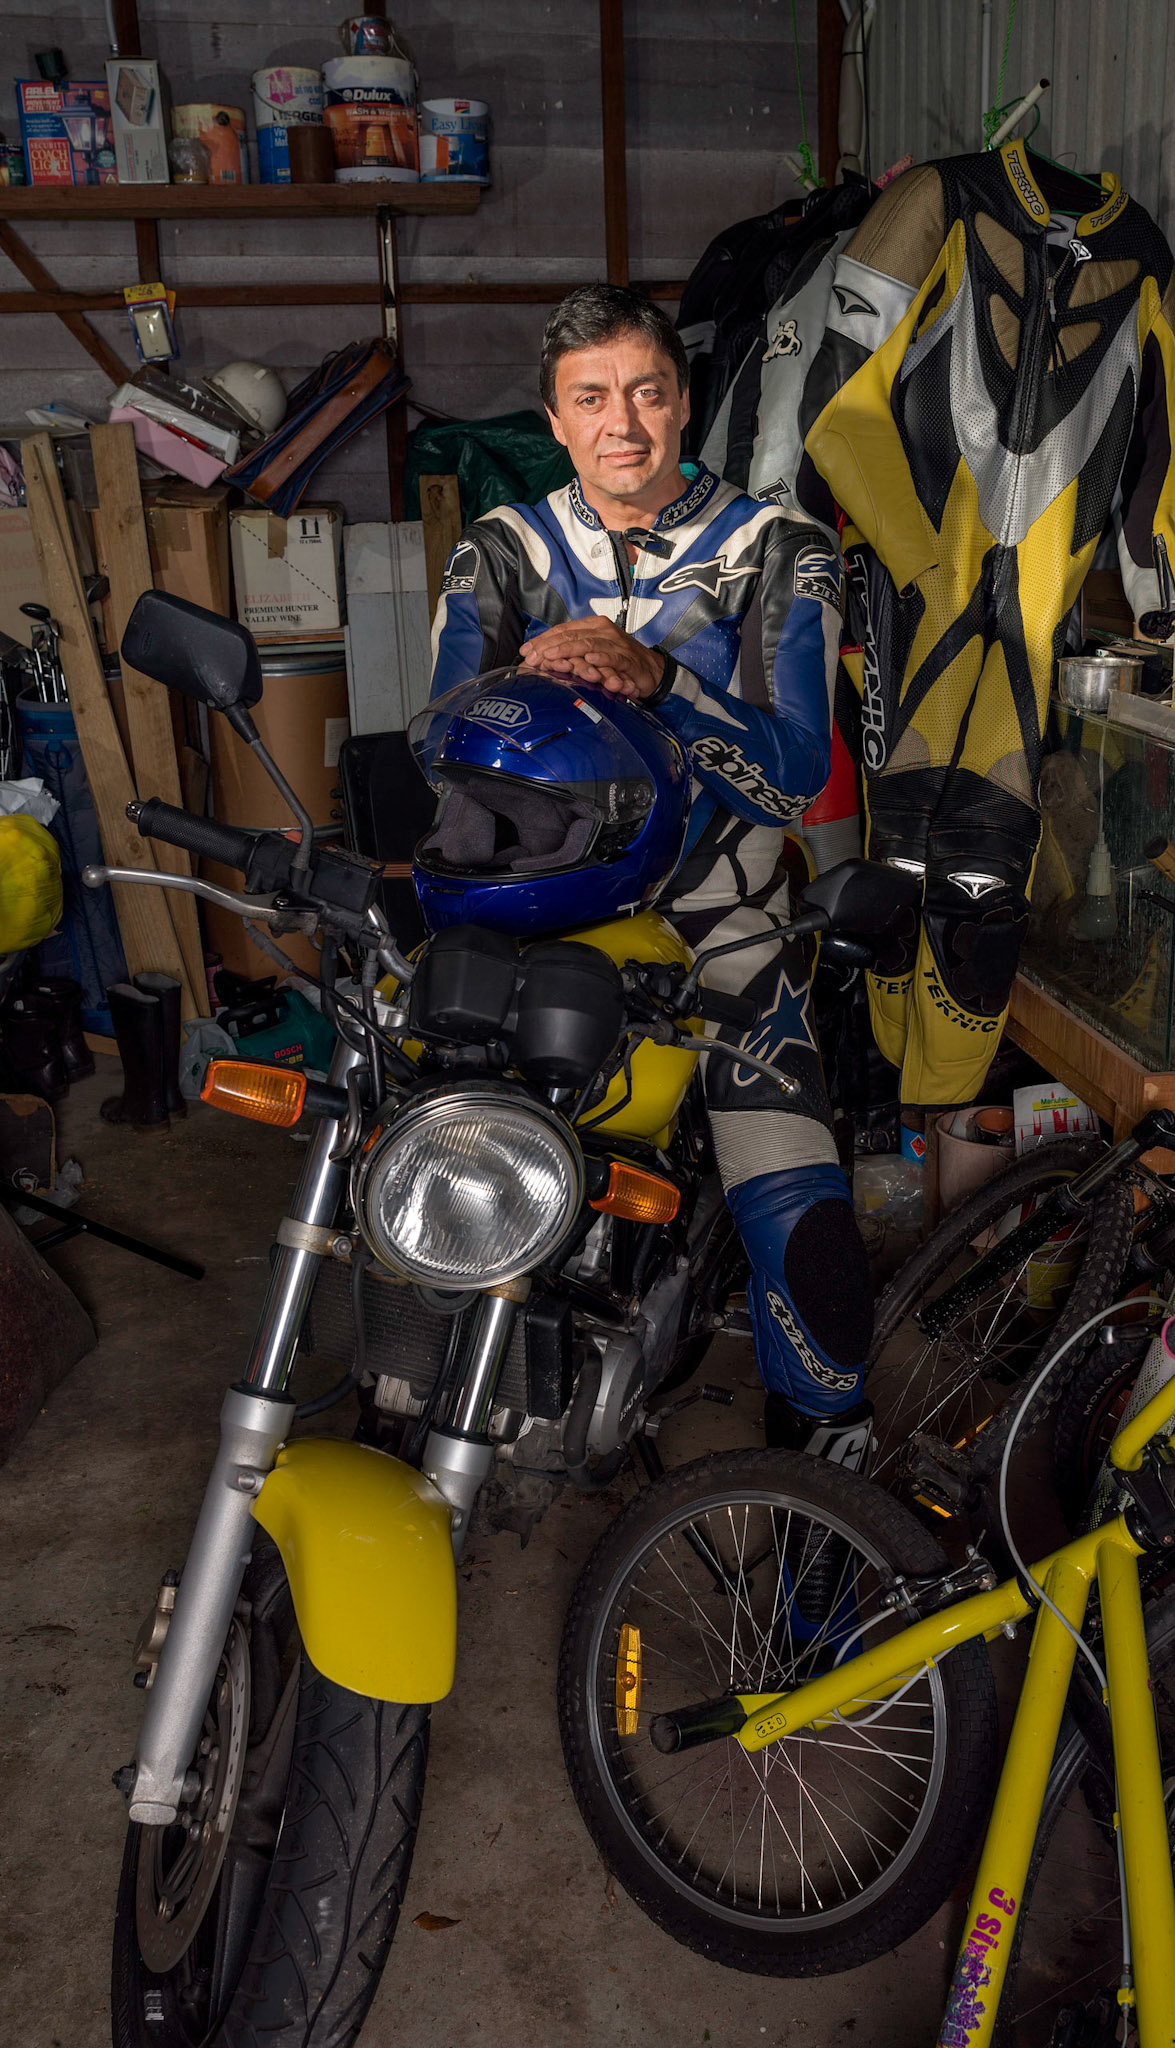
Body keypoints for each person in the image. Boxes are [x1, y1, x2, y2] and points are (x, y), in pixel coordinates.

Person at [426, 284, 875, 1467]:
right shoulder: (500, 551)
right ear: (554, 419)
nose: (621, 422)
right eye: (591, 398)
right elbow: (439, 746)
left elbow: (791, 779)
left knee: (807, 1229)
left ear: (684, 402)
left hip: (722, 915)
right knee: (423, 1150)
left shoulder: (781, 548)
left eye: (647, 391)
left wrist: (660, 678)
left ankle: (827, 1477)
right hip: (532, 910)